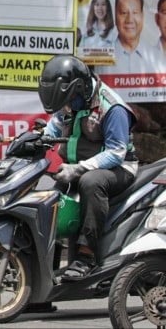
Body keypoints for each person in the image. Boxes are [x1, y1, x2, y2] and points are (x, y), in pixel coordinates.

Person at [38, 54, 137, 280]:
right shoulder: (68, 101)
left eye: (69, 100)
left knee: (90, 183)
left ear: (81, 88)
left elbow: (116, 152)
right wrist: (33, 140)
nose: (66, 106)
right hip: (78, 168)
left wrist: (78, 169)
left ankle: (86, 256)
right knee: (47, 199)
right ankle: (45, 276)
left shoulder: (111, 107)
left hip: (119, 169)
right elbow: (52, 130)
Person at [96, 0, 147, 74]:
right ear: (115, 16)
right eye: (124, 13)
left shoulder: (155, 56)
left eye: (135, 12)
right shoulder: (101, 55)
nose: (130, 20)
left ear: (142, 16)